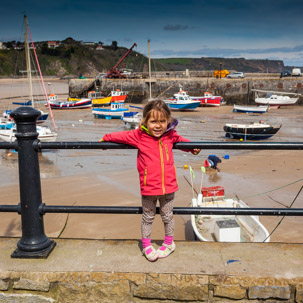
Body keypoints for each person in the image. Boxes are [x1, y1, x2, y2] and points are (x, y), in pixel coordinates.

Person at [99, 100, 200, 262]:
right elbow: (120, 136)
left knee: (168, 217)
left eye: (162, 121)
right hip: (149, 188)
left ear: (168, 121)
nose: (158, 125)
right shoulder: (139, 136)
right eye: (153, 121)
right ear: (145, 121)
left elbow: (181, 141)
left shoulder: (170, 135)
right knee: (148, 217)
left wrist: (192, 147)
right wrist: (105, 139)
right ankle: (146, 245)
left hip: (169, 187)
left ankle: (169, 243)